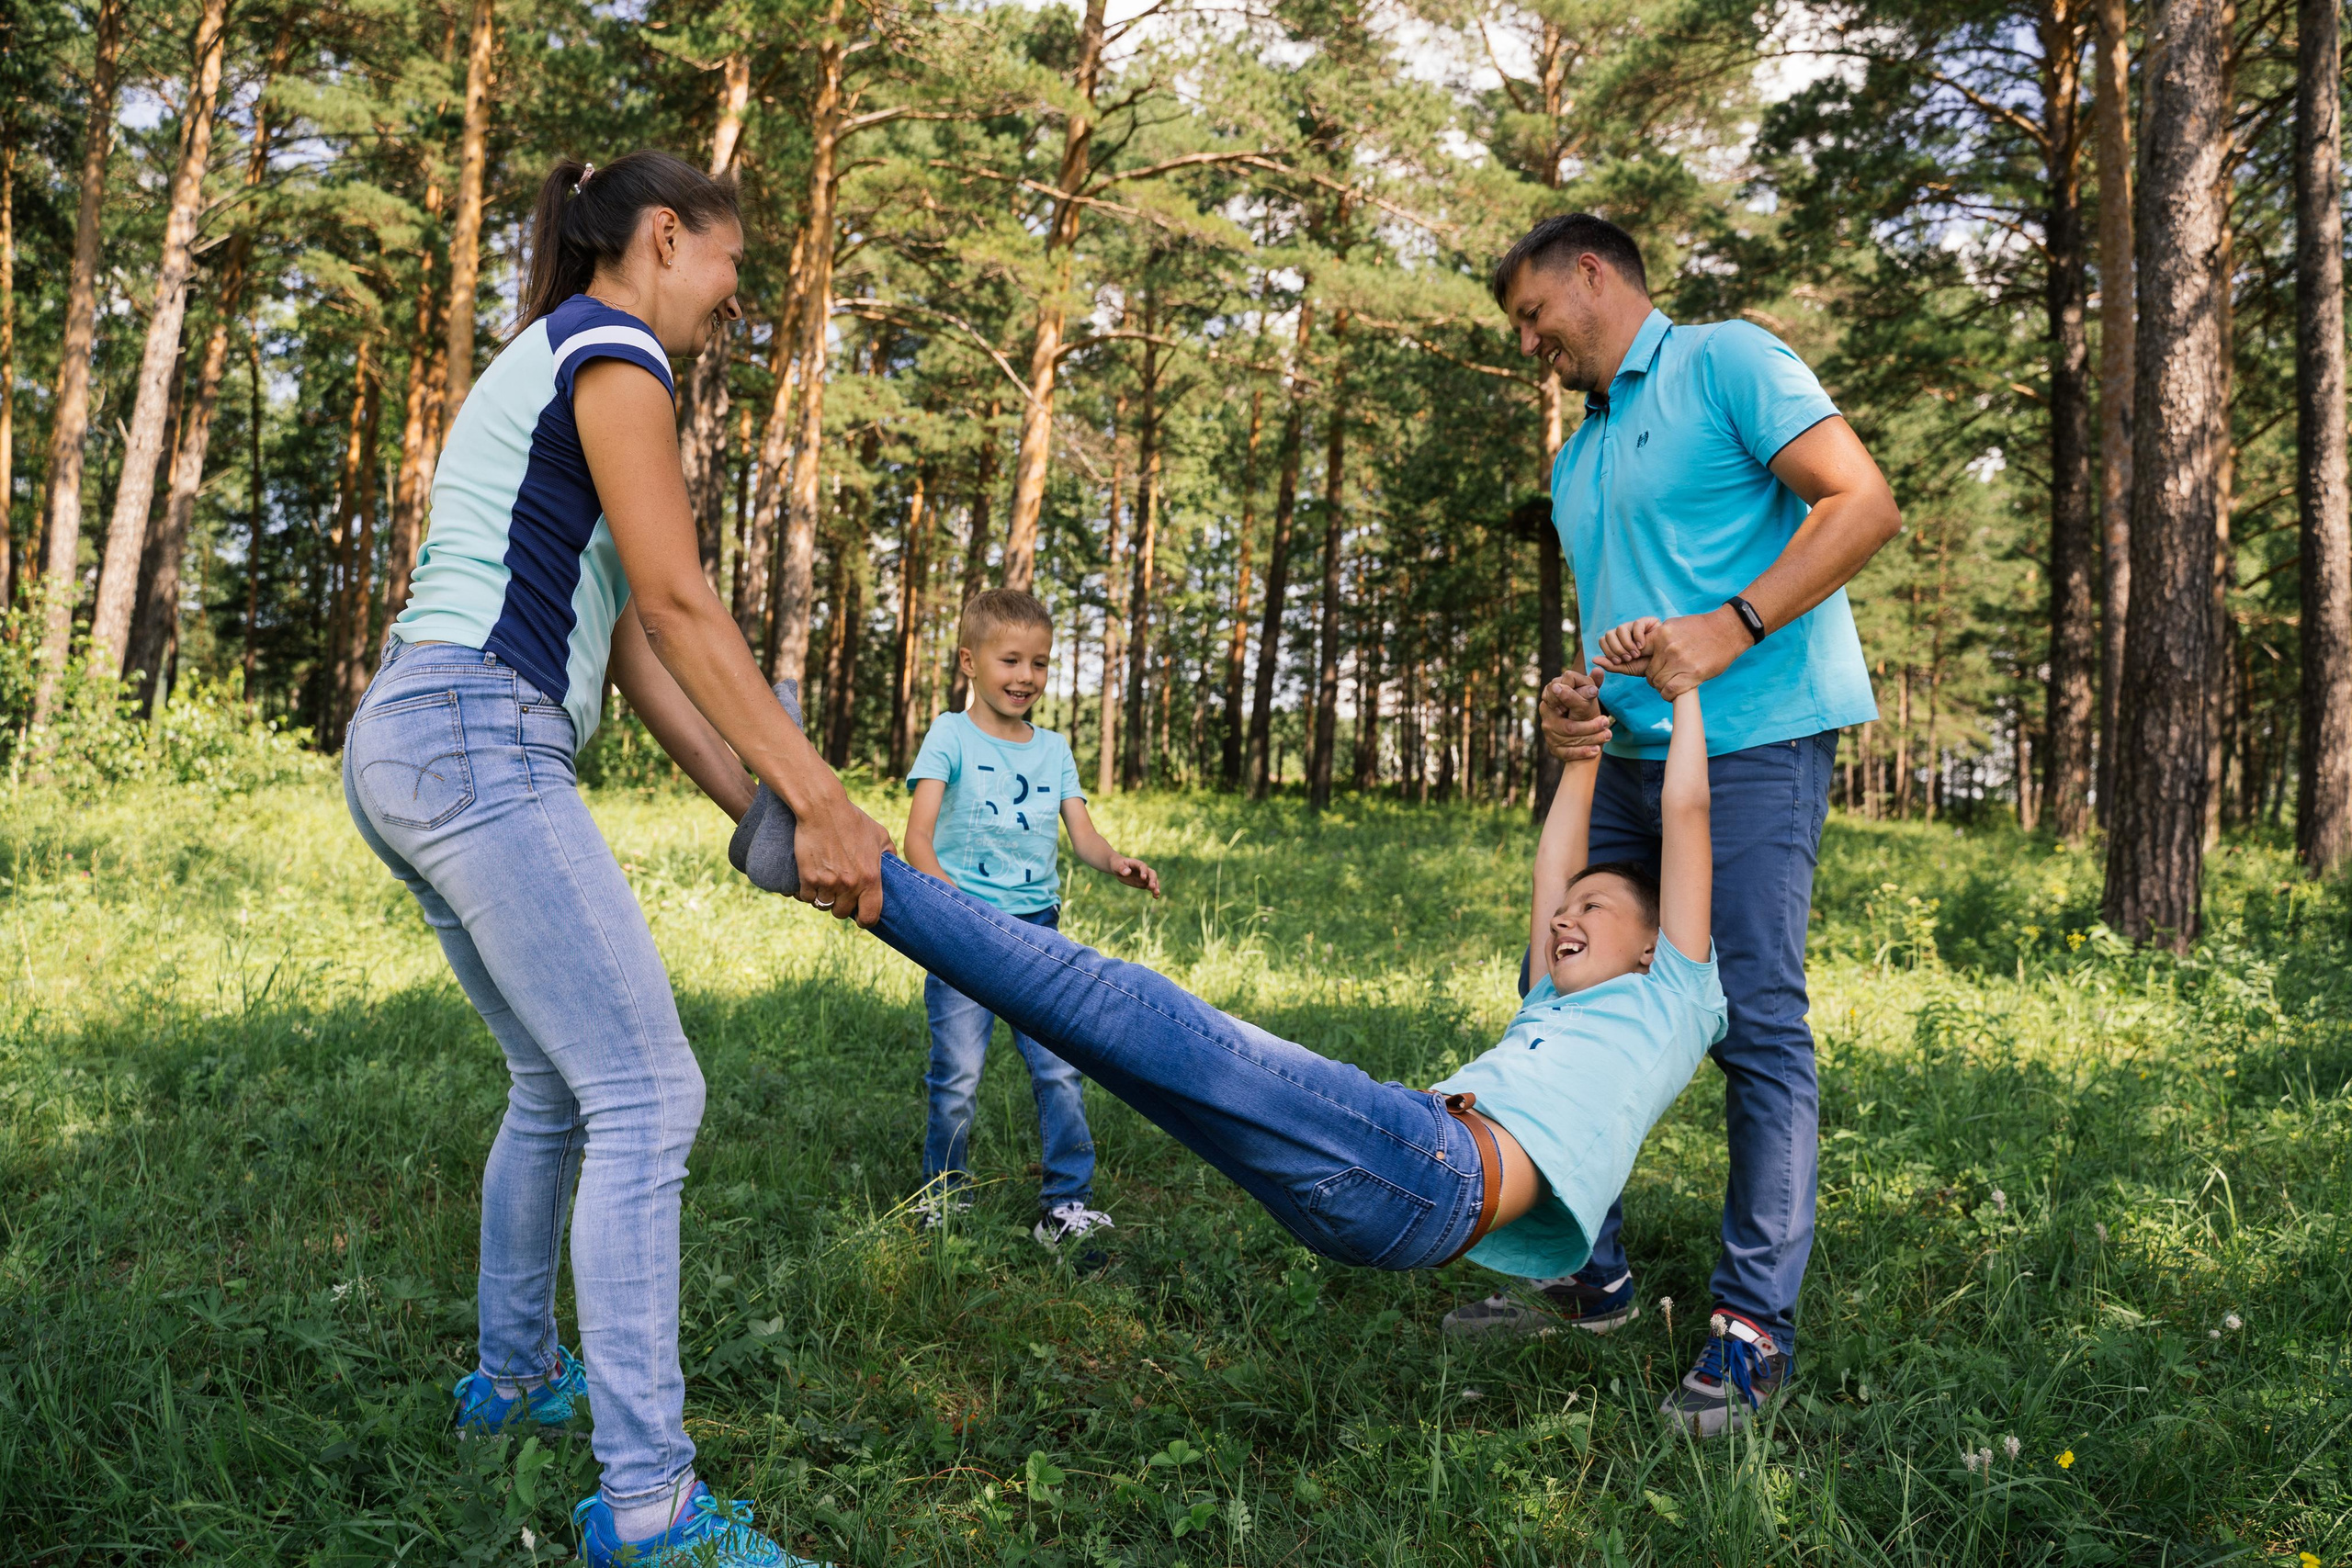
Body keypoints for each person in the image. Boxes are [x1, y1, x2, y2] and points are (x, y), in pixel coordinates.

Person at [345, 150, 889, 1568]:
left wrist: (753, 814)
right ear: (664, 237)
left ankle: (515, 1379)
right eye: (727, 269)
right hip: (475, 733)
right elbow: (682, 598)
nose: (732, 303)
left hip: (410, 737)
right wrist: (822, 797)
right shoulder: (615, 350)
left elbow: (641, 654)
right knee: (650, 1092)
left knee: (555, 1083)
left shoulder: (557, 360)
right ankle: (651, 1513)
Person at [729, 658, 1725, 1308]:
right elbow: (1555, 864)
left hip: (1429, 1171)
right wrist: (1580, 752)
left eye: (1594, 911)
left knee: (1116, 1002)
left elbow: (1684, 816)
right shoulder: (1557, 999)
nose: (1564, 916)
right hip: (1387, 1189)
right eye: (1568, 909)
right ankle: (823, 860)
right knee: (1108, 1036)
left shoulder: (1674, 991)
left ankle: (856, 877)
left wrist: (1683, 691)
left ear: (1655, 944)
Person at [1465, 211, 1900, 1437]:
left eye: (1535, 314)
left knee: (1755, 1022)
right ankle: (1580, 1272)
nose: (1531, 341)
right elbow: (1630, 622)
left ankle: (1751, 1326)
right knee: (1554, 990)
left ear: (1592, 275)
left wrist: (1735, 624)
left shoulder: (1728, 362)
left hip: (1757, 740)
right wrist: (1576, 703)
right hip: (1627, 760)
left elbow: (1863, 503)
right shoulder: (1578, 457)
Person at [902, 588, 1162, 1247]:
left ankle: (1065, 1206)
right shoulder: (950, 734)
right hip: (962, 937)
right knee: (957, 1075)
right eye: (1010, 660)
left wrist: (1115, 862)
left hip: (1037, 934)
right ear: (969, 660)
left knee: (1059, 1069)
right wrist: (950, 911)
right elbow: (918, 840)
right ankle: (942, 1196)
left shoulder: (1053, 750)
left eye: (1040, 663)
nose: (1025, 677)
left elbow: (1083, 837)